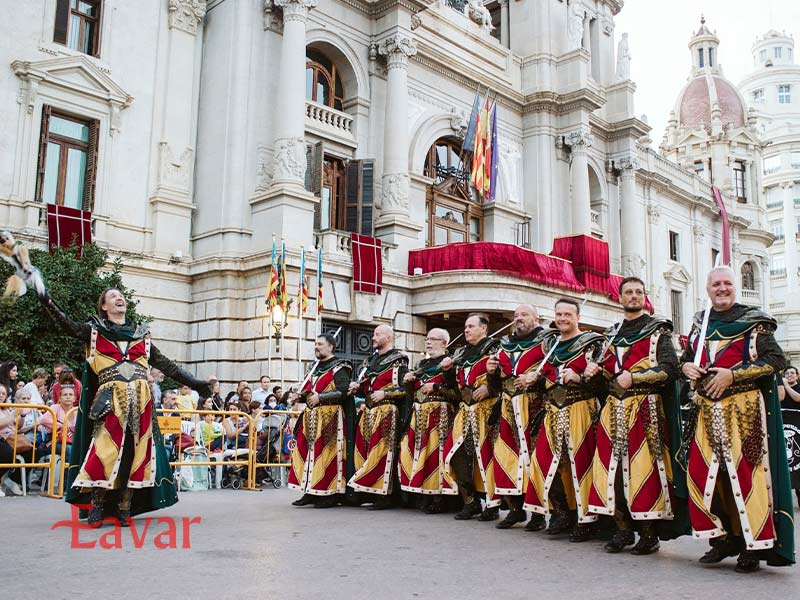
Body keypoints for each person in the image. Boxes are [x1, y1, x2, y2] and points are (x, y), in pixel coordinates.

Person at [36, 286, 212, 527]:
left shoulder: (141, 335)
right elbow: (68, 325)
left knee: (135, 455)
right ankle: (97, 504)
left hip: (141, 403)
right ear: (104, 307)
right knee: (104, 451)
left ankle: (124, 506)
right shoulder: (94, 331)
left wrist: (196, 383)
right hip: (110, 401)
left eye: (121, 295)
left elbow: (168, 366)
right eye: (112, 296)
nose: (119, 297)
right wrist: (47, 300)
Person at [681, 266, 794, 573]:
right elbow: (686, 360)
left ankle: (751, 546)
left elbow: (775, 361)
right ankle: (723, 539)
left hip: (744, 412)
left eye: (727, 283)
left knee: (746, 477)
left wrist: (733, 375)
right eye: (716, 283)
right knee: (705, 476)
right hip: (705, 411)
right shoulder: (699, 323)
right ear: (707, 288)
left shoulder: (754, 322)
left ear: (735, 287)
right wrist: (687, 369)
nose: (722, 288)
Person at [587, 277, 683, 555]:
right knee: (611, 471)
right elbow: (605, 380)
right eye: (628, 292)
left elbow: (670, 369)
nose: (633, 296)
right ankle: (622, 528)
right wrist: (594, 373)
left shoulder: (658, 331)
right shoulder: (611, 335)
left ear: (644, 297)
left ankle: (649, 533)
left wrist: (636, 377)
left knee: (645, 471)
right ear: (620, 298)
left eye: (638, 292)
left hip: (645, 409)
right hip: (613, 411)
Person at [523, 298, 605, 542]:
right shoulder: (551, 343)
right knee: (547, 463)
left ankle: (586, 520)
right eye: (558, 314)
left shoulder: (591, 343)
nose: (562, 319)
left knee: (581, 464)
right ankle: (562, 513)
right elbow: (545, 376)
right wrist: (532, 379)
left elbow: (603, 381)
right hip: (553, 410)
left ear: (577, 316)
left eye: (567, 314)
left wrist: (580, 378)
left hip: (580, 408)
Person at [486, 304, 554, 531]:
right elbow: (494, 387)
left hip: (534, 406)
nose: (519, 319)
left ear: (537, 318)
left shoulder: (547, 342)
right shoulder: (503, 345)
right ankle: (515, 509)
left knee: (534, 461)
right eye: (515, 316)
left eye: (524, 314)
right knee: (506, 458)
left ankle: (538, 514)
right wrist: (491, 372)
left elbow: (553, 374)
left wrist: (537, 378)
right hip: (507, 407)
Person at [442, 313, 502, 521]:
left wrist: (490, 386)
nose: (466, 330)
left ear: (484, 328)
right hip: (464, 411)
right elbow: (453, 387)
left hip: (487, 410)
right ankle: (470, 501)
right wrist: (448, 371)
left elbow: (507, 376)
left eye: (471, 326)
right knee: (455, 453)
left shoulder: (495, 348)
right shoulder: (460, 353)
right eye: (465, 327)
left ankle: (493, 504)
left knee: (487, 457)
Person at [347, 324, 409, 510]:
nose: (373, 337)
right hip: (368, 412)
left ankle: (385, 495)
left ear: (389, 337)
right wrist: (357, 388)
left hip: (386, 412)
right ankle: (367, 491)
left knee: (382, 453)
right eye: (373, 334)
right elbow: (367, 386)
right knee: (363, 451)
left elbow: (405, 389)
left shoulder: (398, 360)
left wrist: (385, 394)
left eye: (377, 334)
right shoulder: (369, 362)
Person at [399, 328, 459, 513]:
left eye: (433, 339)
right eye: (427, 339)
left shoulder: (450, 364)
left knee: (437, 455)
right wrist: (409, 382)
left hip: (440, 415)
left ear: (444, 343)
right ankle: (422, 493)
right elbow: (412, 395)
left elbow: (456, 393)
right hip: (419, 415)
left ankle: (439, 497)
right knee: (417, 455)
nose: (428, 342)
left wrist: (437, 387)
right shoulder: (422, 364)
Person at [288, 333, 352, 508]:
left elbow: (343, 391)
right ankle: (309, 491)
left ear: (330, 347)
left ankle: (329, 494)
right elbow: (309, 392)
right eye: (315, 344)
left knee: (327, 455)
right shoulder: (314, 367)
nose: (316, 347)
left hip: (330, 417)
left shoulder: (340, 366)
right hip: (311, 417)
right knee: (308, 453)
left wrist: (321, 398)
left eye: (320, 344)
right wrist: (298, 397)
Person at [39, 383, 78, 462]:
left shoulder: (76, 411)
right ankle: (67, 474)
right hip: (54, 442)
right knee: (69, 450)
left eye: (70, 395)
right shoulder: (55, 408)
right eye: (65, 395)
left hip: (72, 441)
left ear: (74, 398)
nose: (68, 397)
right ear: (60, 398)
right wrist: (61, 426)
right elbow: (43, 420)